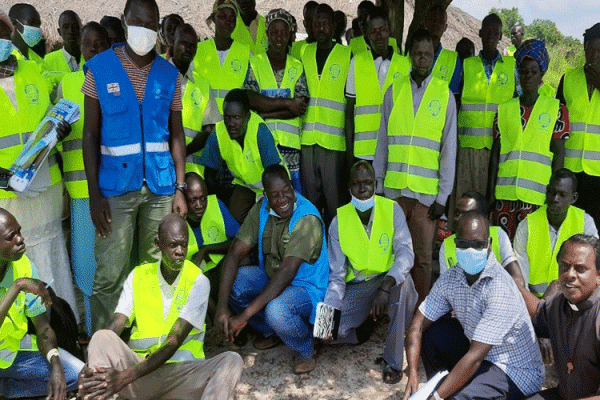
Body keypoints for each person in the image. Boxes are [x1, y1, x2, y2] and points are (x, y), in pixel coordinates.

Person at [82, 0, 188, 332]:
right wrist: (94, 194)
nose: (143, 27)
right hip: (114, 190)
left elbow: (177, 134)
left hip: (160, 188)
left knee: (157, 269)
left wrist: (180, 187)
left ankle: (151, 342)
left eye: (150, 22)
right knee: (110, 273)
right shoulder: (99, 68)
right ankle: (104, 352)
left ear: (158, 26)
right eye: (136, 21)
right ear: (125, 22)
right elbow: (89, 134)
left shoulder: (169, 73)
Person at [78, 213, 244, 400]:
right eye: (173, 245)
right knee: (101, 337)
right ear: (158, 245)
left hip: (181, 376)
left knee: (231, 360)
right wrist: (88, 368)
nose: (180, 251)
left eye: (184, 244)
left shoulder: (198, 281)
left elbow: (173, 342)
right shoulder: (138, 275)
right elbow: (116, 323)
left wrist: (122, 378)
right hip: (141, 374)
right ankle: (94, 391)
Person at [402, 211, 544, 400]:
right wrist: (412, 372)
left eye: (477, 244)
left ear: (489, 245)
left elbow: (474, 359)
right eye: (463, 244)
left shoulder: (500, 288)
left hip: (513, 371)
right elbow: (417, 325)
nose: (470, 251)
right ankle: (439, 385)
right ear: (455, 243)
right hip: (480, 354)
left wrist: (437, 398)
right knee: (433, 333)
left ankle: (444, 393)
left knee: (457, 396)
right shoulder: (452, 277)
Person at [0, 8, 78, 318]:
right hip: (7, 199)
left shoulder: (31, 70)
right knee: (16, 261)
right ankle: (26, 335)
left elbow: (48, 121)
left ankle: (63, 329)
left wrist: (60, 129)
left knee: (51, 256)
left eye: (3, 34)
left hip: (45, 186)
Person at [215, 164, 329, 374]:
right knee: (235, 284)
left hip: (305, 288)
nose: (283, 199)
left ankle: (306, 348)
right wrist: (222, 306)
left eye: (287, 191)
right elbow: (234, 254)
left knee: (277, 310)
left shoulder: (307, 218)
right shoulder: (261, 209)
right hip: (273, 279)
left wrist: (244, 315)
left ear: (292, 187)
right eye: (275, 195)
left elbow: (287, 272)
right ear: (266, 196)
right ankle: (272, 331)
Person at [374, 28, 457, 303]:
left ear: (434, 56)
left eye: (428, 54)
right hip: (394, 191)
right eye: (418, 53)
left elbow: (448, 150)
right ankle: (392, 309)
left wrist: (443, 196)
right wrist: (378, 184)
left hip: (425, 196)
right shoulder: (394, 92)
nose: (423, 59)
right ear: (409, 55)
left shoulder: (444, 95)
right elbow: (382, 141)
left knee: (422, 259)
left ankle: (420, 315)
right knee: (393, 253)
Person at [323, 161, 417, 384]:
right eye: (356, 184)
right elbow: (336, 276)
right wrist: (326, 322)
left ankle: (393, 360)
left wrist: (386, 286)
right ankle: (362, 330)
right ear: (349, 187)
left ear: (375, 184)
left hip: (389, 281)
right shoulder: (338, 222)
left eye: (367, 183)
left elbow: (406, 254)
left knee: (403, 286)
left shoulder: (392, 210)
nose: (362, 189)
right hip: (359, 286)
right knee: (324, 335)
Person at [488, 39, 569, 240]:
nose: (528, 76)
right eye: (523, 71)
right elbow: (495, 154)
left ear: (542, 73)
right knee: (503, 254)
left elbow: (559, 156)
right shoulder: (504, 109)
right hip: (504, 197)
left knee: (530, 253)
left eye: (533, 71)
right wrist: (490, 193)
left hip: (537, 199)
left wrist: (555, 195)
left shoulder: (557, 110)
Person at [0, 208, 84, 399]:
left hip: (12, 353)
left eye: (19, 232)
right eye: (11, 236)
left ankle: (6, 390)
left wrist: (55, 365)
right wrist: (17, 287)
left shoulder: (24, 265)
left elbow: (43, 327)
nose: (20, 239)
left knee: (80, 375)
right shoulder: (20, 280)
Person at [59, 21, 110, 334]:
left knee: (116, 266)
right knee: (87, 270)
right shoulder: (65, 84)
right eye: (88, 43)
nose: (92, 48)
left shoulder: (118, 84)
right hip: (81, 194)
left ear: (107, 48)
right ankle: (94, 334)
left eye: (99, 44)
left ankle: (120, 337)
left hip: (116, 190)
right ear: (81, 48)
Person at [518, 234, 600, 400]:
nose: (569, 274)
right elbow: (537, 312)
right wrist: (511, 283)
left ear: (598, 275)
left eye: (580, 269)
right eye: (564, 266)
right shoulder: (559, 304)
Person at [454, 13, 516, 213]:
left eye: (495, 33)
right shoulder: (467, 66)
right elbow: (454, 103)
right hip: (468, 149)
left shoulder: (511, 68)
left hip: (499, 149)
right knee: (465, 204)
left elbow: (519, 103)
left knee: (490, 206)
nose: (490, 36)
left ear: (500, 36)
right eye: (486, 32)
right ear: (479, 34)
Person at [244, 8, 309, 193]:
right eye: (274, 32)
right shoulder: (255, 63)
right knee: (265, 195)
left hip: (291, 148)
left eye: (283, 33)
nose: (278, 37)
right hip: (262, 143)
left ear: (289, 35)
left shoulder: (297, 67)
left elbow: (300, 107)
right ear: (267, 34)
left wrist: (264, 112)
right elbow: (250, 99)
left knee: (291, 197)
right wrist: (288, 103)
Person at [301, 3, 352, 226]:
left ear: (333, 27)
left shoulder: (347, 55)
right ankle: (313, 252)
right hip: (306, 141)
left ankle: (338, 253)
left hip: (333, 144)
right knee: (309, 204)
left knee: (335, 205)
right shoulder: (303, 52)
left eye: (325, 23)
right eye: (317, 23)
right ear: (311, 26)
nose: (321, 28)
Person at [199, 89, 283, 223]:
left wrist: (269, 200)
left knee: (267, 223)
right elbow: (210, 175)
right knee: (233, 223)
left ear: (248, 116)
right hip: (245, 185)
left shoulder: (260, 131)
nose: (232, 123)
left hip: (272, 186)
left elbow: (275, 175)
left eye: (237, 118)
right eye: (227, 117)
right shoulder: (219, 133)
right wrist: (215, 206)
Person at [514, 169, 598, 298]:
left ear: (573, 198)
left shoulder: (585, 222)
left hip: (574, 299)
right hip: (535, 300)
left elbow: (594, 266)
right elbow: (520, 276)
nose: (555, 199)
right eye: (551, 193)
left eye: (562, 195)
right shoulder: (527, 225)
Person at [345, 7, 410, 162]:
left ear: (389, 30)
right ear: (366, 34)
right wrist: (349, 157)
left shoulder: (405, 65)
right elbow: (348, 114)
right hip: (363, 152)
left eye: (382, 30)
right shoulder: (357, 63)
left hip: (394, 151)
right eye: (373, 31)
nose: (378, 35)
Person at [556, 23, 600, 230]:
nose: (595, 56)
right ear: (584, 48)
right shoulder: (568, 79)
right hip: (571, 171)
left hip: (598, 173)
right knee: (572, 228)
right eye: (591, 50)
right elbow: (557, 127)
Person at [440, 191, 525, 286]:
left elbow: (518, 279)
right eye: (457, 213)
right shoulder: (446, 245)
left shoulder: (498, 234)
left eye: (466, 214)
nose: (457, 218)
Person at [170, 23, 221, 176]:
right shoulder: (156, 77)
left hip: (192, 171)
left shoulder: (203, 85)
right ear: (173, 43)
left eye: (192, 45)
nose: (188, 49)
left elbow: (209, 129)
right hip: (160, 167)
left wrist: (183, 152)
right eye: (183, 43)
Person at [184, 172, 239, 305]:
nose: (199, 205)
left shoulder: (215, 205)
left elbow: (239, 241)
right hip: (188, 282)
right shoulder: (175, 219)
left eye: (203, 198)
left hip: (220, 271)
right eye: (193, 200)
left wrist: (206, 249)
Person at [194, 0, 250, 114]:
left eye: (232, 19)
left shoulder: (246, 53)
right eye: (222, 17)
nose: (227, 22)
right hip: (203, 122)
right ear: (214, 18)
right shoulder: (198, 50)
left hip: (233, 122)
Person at [423, 5, 463, 97]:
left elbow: (454, 97)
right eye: (433, 20)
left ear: (445, 27)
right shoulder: (411, 54)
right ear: (425, 22)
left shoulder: (453, 61)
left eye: (440, 22)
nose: (436, 24)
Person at [44, 10, 83, 91]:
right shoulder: (48, 61)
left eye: (75, 26)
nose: (71, 31)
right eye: (66, 27)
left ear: (81, 29)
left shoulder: (91, 59)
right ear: (59, 32)